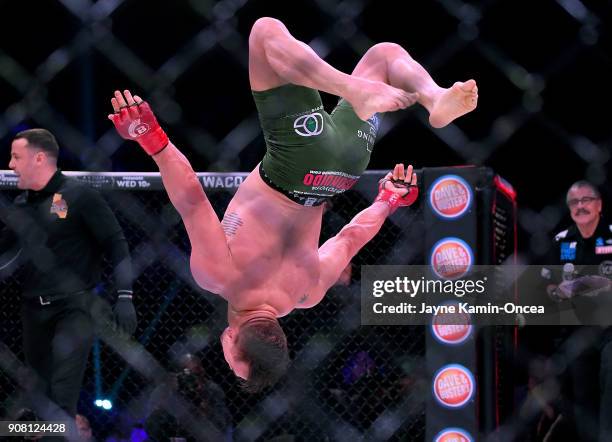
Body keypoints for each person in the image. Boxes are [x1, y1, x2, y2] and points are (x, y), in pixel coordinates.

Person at [108, 17, 478, 392]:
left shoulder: (307, 293)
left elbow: (350, 238)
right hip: (294, 161)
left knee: (383, 56)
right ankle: (356, 89)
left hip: (341, 174)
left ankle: (433, 96)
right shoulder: (220, 277)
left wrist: (388, 200)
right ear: (233, 341)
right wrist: (151, 138)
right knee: (264, 33)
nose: (224, 360)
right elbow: (191, 197)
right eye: (233, 365)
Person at [0, 129, 137, 427]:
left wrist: (125, 297)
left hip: (76, 308)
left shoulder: (80, 195)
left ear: (38, 158)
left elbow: (116, 243)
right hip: (32, 309)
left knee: (63, 395)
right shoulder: (23, 205)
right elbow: (6, 251)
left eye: (16, 156)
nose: (10, 164)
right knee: (39, 395)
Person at [540, 180, 612, 441]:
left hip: (609, 331)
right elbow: (548, 286)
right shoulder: (560, 241)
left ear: (599, 204)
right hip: (575, 330)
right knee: (582, 400)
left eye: (586, 200)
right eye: (574, 202)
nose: (580, 206)